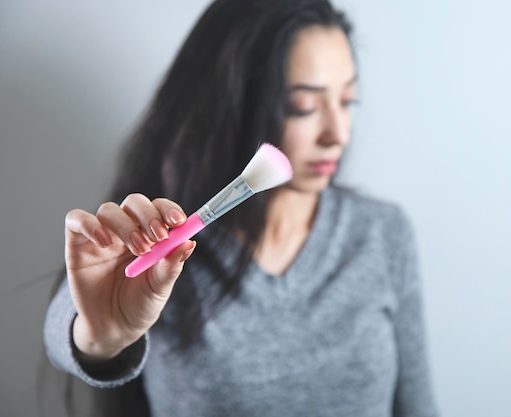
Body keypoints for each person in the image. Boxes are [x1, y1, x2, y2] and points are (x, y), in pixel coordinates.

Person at [41, 0, 439, 416]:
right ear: (233, 102)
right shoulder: (162, 246)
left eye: (348, 100)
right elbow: (64, 333)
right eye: (303, 106)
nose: (337, 134)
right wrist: (102, 339)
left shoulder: (381, 233)